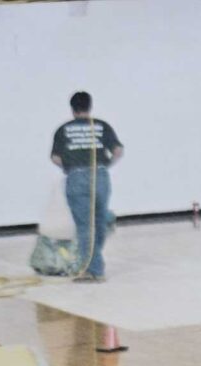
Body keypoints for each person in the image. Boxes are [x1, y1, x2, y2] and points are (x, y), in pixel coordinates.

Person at [50, 91, 123, 283]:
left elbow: (55, 157)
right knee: (97, 222)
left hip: (76, 176)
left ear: (72, 108)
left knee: (84, 226)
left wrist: (69, 168)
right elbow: (118, 150)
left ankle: (94, 271)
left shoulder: (64, 129)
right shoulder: (101, 126)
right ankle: (105, 223)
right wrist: (105, 166)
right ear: (89, 107)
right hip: (100, 175)